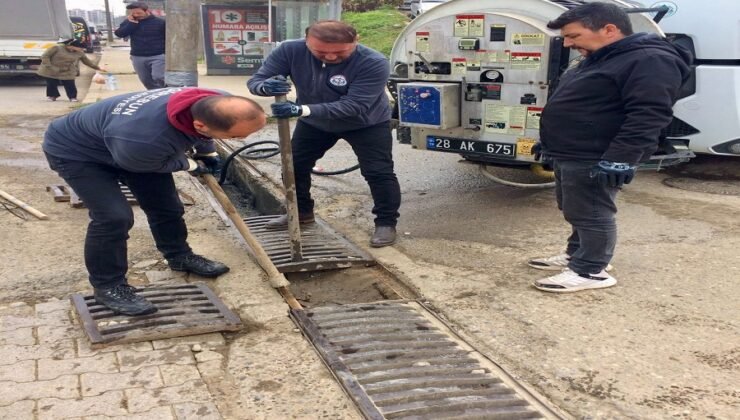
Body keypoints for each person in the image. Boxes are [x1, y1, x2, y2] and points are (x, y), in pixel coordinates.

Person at [43, 88, 267, 315]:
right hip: (78, 153)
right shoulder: (147, 138)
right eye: (236, 137)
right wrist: (190, 165)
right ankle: (108, 286)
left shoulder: (216, 100)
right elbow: (146, 163)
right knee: (113, 217)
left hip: (126, 144)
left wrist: (206, 153)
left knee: (167, 206)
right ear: (200, 125)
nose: (243, 140)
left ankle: (179, 256)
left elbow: (203, 134)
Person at [528, 2, 691, 293]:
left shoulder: (648, 60)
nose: (567, 43)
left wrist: (621, 159)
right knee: (574, 208)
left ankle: (591, 270)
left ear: (609, 30)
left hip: (597, 153)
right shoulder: (603, 56)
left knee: (592, 212)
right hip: (572, 150)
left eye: (574, 36)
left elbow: (649, 114)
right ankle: (577, 254)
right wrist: (550, 142)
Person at [247, 20, 402, 248]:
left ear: (356, 41)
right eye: (320, 52)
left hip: (366, 123)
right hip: (315, 123)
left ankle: (386, 223)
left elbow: (354, 105)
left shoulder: (373, 62)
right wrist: (265, 86)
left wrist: (302, 109)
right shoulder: (291, 50)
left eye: (340, 52)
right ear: (306, 41)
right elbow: (256, 81)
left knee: (378, 172)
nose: (330, 57)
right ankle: (301, 212)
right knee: (293, 166)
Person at [114, 1, 166, 89]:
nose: (136, 15)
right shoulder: (129, 22)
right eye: (133, 13)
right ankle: (155, 95)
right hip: (138, 56)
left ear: (147, 11)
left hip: (158, 55)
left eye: (139, 13)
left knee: (158, 76)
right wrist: (132, 24)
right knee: (146, 80)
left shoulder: (160, 22)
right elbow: (119, 34)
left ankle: (168, 92)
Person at [37, 39, 106, 102]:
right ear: (72, 46)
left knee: (69, 83)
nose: (82, 49)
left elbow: (87, 62)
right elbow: (45, 56)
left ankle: (72, 97)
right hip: (51, 68)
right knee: (51, 82)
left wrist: (98, 68)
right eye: (80, 48)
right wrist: (49, 66)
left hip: (67, 69)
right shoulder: (57, 48)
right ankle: (52, 96)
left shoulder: (80, 53)